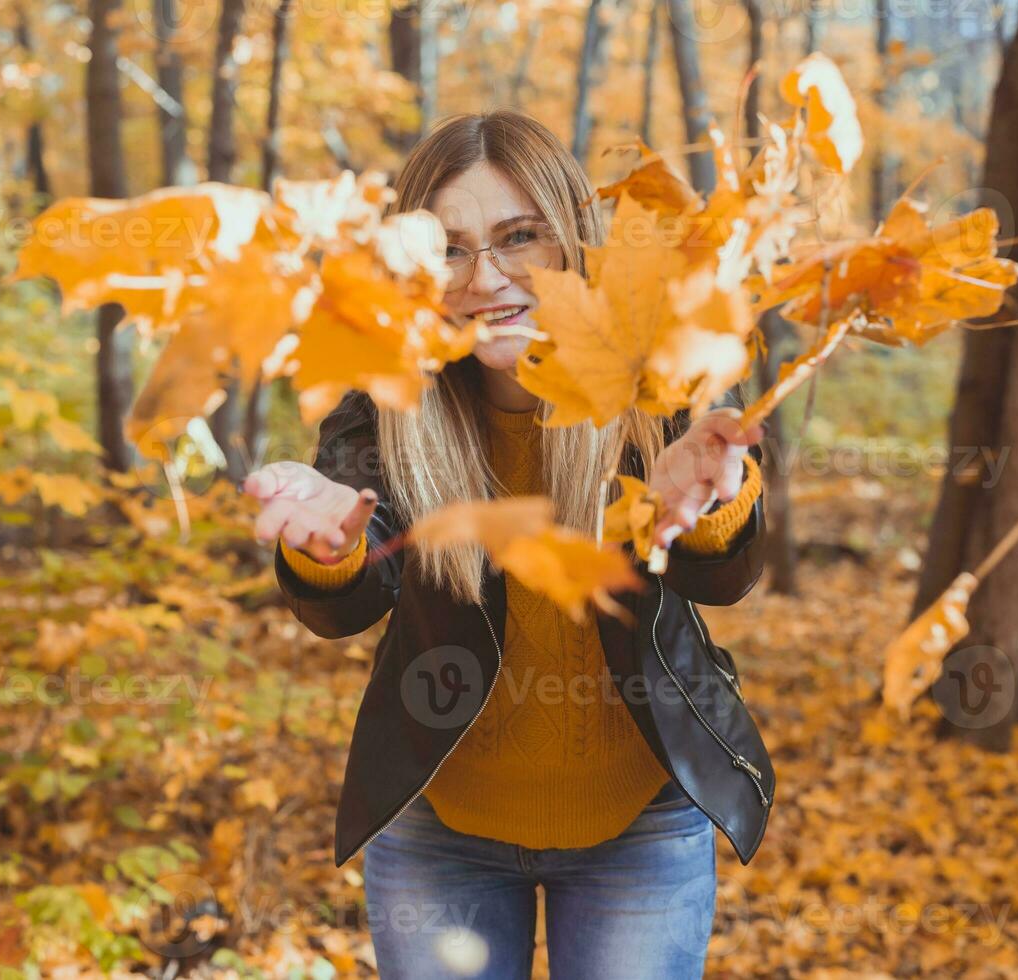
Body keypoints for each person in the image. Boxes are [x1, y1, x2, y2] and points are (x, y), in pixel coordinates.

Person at [245, 108, 774, 980]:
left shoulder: (663, 375)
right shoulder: (384, 399)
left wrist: (704, 509)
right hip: (440, 831)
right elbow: (345, 595)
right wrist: (326, 550)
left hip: (637, 825)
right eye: (450, 248)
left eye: (518, 236)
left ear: (570, 240)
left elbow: (727, 576)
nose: (485, 277)